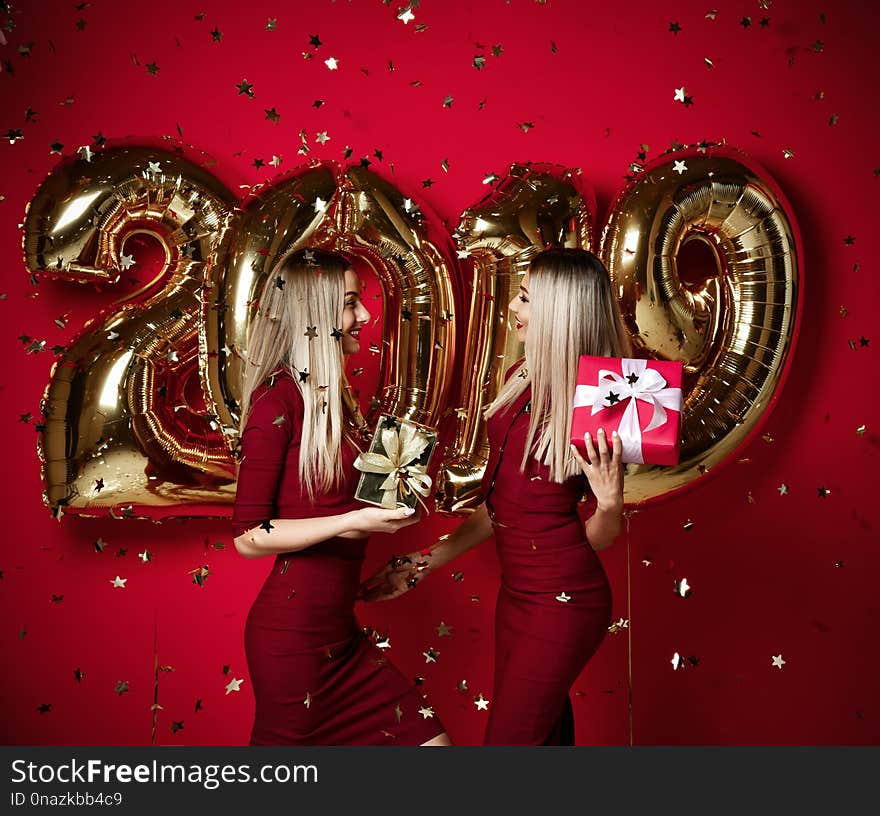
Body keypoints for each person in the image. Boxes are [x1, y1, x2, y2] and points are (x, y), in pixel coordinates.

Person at [360, 248, 628, 745]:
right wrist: (422, 562)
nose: (513, 309)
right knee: (543, 740)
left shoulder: (600, 402)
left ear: (559, 310)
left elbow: (600, 539)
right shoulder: (518, 379)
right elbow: (502, 507)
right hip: (517, 597)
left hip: (563, 604)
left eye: (525, 298)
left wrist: (611, 504)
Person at [232, 248, 451, 746]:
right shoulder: (276, 399)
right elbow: (248, 536)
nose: (365, 315)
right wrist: (352, 522)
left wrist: (401, 496)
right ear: (316, 314)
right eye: (351, 303)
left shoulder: (339, 402)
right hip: (294, 643)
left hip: (340, 636)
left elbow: (351, 506)